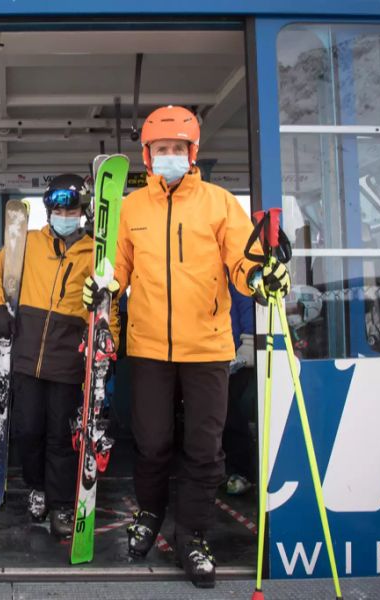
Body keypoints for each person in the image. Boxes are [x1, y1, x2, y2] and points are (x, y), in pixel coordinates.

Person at [83, 105, 289, 588]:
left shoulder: (219, 203)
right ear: (148, 156)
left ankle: (193, 535)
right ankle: (151, 513)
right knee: (152, 443)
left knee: (204, 449)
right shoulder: (132, 208)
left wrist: (261, 276)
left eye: (178, 149)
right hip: (150, 347)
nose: (169, 156)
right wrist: (102, 288)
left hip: (208, 348)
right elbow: (117, 269)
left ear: (192, 153)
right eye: (161, 150)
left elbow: (243, 261)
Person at [0, 174, 117, 539]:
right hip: (26, 357)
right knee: (28, 431)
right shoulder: (27, 242)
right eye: (57, 208)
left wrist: (109, 341)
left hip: (68, 360)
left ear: (84, 212)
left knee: (60, 436)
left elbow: (108, 306)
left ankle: (60, 504)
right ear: (48, 210)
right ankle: (36, 488)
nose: (64, 214)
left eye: (71, 209)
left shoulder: (95, 254)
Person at [222, 283, 256, 496]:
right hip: (211, 351)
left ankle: (243, 473)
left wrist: (250, 341)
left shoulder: (230, 265)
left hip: (235, 355)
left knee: (230, 413)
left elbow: (246, 301)